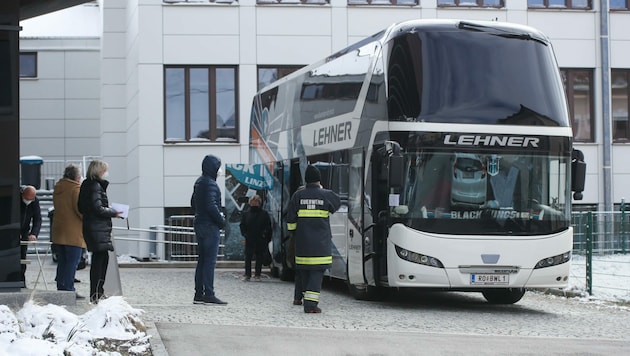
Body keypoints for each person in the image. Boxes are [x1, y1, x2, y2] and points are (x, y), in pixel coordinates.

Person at [286, 165, 341, 313]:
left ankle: (305, 299)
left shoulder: (297, 196)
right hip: (320, 244)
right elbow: (337, 204)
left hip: (302, 243)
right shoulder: (326, 194)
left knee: (304, 272)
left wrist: (294, 234)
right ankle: (310, 305)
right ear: (319, 179)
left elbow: (290, 221)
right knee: (316, 274)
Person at [78, 160, 121, 303]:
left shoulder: (86, 185)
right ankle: (96, 293)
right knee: (100, 261)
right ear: (99, 171)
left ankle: (97, 292)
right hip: (97, 228)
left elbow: (83, 207)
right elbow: (98, 208)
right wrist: (113, 212)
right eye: (104, 170)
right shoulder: (95, 186)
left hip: (93, 227)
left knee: (101, 260)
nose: (106, 172)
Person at [191, 154, 227, 305]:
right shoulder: (211, 184)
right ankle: (209, 294)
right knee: (209, 262)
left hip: (199, 223)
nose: (219, 171)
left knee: (202, 260)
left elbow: (193, 202)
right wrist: (221, 221)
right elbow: (212, 206)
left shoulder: (199, 182)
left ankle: (199, 293)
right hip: (210, 226)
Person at [52, 164, 85, 298]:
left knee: (63, 261)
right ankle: (69, 290)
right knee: (72, 262)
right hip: (73, 232)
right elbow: (80, 210)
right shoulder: (75, 189)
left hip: (59, 231)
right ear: (77, 177)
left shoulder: (58, 188)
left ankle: (61, 287)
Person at [239, 194, 271, 281]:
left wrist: (264, 235)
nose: (254, 203)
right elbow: (242, 225)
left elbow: (267, 226)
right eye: (252, 201)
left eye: (256, 201)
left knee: (259, 257)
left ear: (259, 203)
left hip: (260, 238)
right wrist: (245, 234)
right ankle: (247, 274)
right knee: (248, 257)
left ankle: (258, 274)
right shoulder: (246, 214)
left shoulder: (264, 214)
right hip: (249, 238)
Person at [20, 185, 42, 284]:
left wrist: (34, 233)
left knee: (22, 257)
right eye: (26, 198)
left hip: (25, 231)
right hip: (12, 230)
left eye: (30, 199)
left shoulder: (34, 201)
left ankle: (21, 280)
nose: (28, 201)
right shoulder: (17, 198)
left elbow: (37, 219)